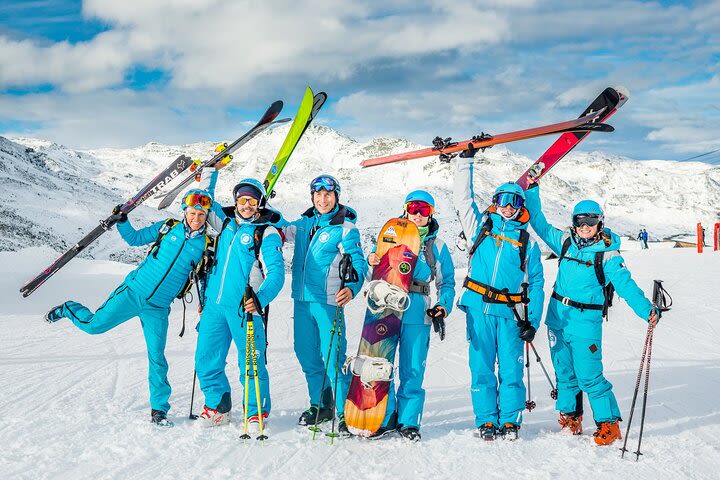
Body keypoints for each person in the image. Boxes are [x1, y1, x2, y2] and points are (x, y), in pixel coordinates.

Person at [44, 188, 216, 427]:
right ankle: (68, 308)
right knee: (94, 326)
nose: (196, 218)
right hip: (133, 292)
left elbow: (204, 279)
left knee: (157, 357)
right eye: (192, 213)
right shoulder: (167, 228)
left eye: (201, 214)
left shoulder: (207, 246)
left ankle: (159, 410)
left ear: (206, 216)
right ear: (184, 212)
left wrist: (205, 305)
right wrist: (122, 221)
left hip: (158, 308)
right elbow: (134, 239)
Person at [525, 179, 659, 446]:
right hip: (557, 318)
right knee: (564, 372)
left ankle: (608, 424)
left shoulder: (608, 254)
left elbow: (626, 285)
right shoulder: (565, 242)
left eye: (591, 221)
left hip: (586, 321)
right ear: (573, 223)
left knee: (589, 374)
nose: (585, 227)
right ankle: (571, 417)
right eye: (580, 221)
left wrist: (647, 310)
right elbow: (538, 221)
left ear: (600, 222)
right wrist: (531, 190)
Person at [453, 151, 544, 441]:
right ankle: (486, 420)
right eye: (503, 200)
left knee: (510, 370)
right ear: (495, 202)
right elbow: (463, 200)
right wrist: (465, 162)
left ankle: (510, 420)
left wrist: (534, 322)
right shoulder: (480, 228)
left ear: (521, 206)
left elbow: (538, 284)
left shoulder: (526, 242)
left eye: (514, 201)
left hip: (510, 315)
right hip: (478, 307)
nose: (507, 207)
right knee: (480, 369)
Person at [194, 172, 285, 432]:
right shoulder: (224, 223)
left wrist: (260, 299)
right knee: (206, 359)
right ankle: (217, 406)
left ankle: (256, 412)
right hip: (214, 307)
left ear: (260, 204)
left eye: (252, 201)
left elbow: (276, 274)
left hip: (245, 308)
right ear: (235, 202)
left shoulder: (265, 233)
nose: (246, 205)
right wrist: (211, 171)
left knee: (251, 363)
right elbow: (203, 200)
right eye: (242, 200)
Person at [279, 175, 367, 433]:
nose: (323, 199)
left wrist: (351, 287)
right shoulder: (303, 225)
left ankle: (344, 412)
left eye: (328, 195)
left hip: (328, 302)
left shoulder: (346, 228)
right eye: (318, 195)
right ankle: (321, 404)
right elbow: (280, 228)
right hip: (302, 301)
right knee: (306, 353)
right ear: (312, 197)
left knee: (334, 358)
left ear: (336, 196)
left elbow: (358, 263)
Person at [366, 190, 456, 441]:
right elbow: (370, 273)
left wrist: (443, 305)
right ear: (405, 209)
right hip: (386, 305)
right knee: (382, 364)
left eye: (424, 210)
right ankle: (384, 417)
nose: (417, 214)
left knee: (413, 367)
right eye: (413, 207)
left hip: (417, 310)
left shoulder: (436, 246)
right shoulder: (390, 237)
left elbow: (446, 282)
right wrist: (371, 261)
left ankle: (408, 420)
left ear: (431, 214)